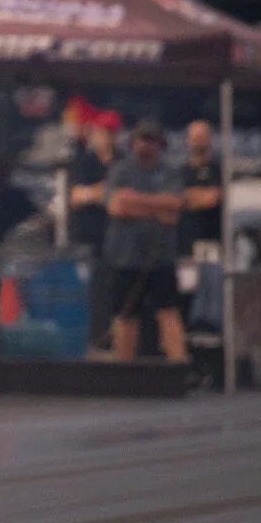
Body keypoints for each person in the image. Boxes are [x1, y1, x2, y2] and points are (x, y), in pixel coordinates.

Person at [103, 119, 188, 364]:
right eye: (141, 139)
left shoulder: (170, 171)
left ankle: (178, 365)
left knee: (168, 311)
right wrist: (156, 207)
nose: (145, 145)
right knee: (125, 314)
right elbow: (116, 205)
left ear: (160, 144)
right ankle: (123, 370)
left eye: (151, 140)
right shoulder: (120, 170)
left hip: (161, 255)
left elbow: (174, 206)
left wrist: (135, 202)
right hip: (124, 255)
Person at [67, 112, 120, 350]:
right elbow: (76, 196)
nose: (107, 137)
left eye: (111, 132)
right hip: (87, 238)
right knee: (88, 291)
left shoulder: (122, 162)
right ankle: (88, 338)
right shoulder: (84, 162)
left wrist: (100, 193)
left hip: (117, 239)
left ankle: (109, 338)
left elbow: (125, 196)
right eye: (102, 131)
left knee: (112, 291)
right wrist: (102, 192)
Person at [179, 119, 223, 258]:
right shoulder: (180, 171)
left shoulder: (218, 170)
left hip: (212, 239)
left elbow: (213, 198)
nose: (197, 142)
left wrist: (190, 197)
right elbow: (176, 199)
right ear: (187, 140)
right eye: (194, 138)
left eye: (201, 137)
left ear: (209, 139)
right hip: (185, 240)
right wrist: (192, 197)